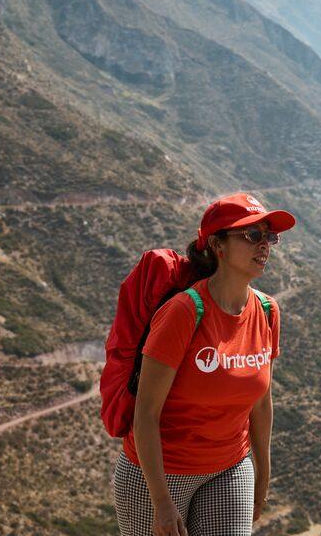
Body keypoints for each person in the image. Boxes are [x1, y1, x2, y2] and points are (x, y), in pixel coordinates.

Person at [113, 192, 294, 536]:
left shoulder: (268, 311)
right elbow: (146, 413)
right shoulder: (184, 312)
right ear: (217, 245)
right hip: (159, 475)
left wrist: (263, 476)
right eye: (252, 234)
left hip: (229, 467)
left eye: (269, 236)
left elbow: (261, 403)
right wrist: (161, 502)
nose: (264, 245)